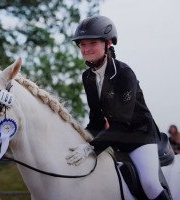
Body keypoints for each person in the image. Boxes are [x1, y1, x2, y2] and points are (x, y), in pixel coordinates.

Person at [66, 16, 171, 200]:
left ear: (108, 44)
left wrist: (91, 147)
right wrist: (81, 139)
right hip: (115, 139)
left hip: (140, 137)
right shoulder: (88, 77)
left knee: (150, 184)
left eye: (92, 43)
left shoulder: (124, 73)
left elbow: (122, 123)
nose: (86, 49)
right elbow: (96, 119)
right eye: (82, 44)